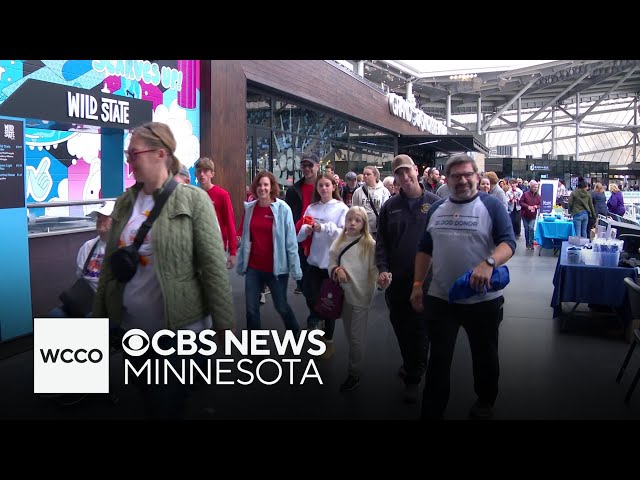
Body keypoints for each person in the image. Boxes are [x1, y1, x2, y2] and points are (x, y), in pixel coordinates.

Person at [93, 121, 235, 419]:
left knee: (164, 405)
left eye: (134, 154)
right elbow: (110, 266)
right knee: (147, 397)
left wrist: (224, 326)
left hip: (177, 331)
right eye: (128, 154)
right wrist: (99, 318)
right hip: (132, 330)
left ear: (160, 154)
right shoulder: (124, 203)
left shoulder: (193, 200)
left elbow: (212, 265)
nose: (129, 161)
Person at [410, 154, 516, 420]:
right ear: (447, 180)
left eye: (468, 174)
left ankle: (485, 399)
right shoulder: (437, 209)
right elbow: (424, 249)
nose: (463, 180)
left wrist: (489, 262)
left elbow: (508, 243)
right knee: (439, 359)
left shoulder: (491, 206)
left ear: (478, 177)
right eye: (456, 176)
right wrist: (417, 284)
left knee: (485, 355)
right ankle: (432, 410)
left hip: (483, 299)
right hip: (441, 298)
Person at [376, 154, 440, 403]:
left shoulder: (435, 203)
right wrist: (382, 268)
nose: (405, 177)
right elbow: (382, 241)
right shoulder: (390, 206)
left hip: (426, 280)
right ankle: (410, 363)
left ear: (416, 170)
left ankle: (414, 377)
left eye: (407, 171)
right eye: (399, 173)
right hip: (397, 280)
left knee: (421, 328)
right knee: (401, 325)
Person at [236, 171, 302, 335]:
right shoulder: (250, 208)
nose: (262, 188)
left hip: (277, 269)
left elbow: (291, 241)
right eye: (259, 185)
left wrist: (296, 269)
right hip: (254, 268)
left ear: (272, 187)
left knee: (281, 306)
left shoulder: (282, 209)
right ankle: (254, 349)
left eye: (266, 184)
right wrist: (241, 262)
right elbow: (246, 239)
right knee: (251, 310)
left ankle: (295, 335)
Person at [297, 172, 349, 359]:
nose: (324, 188)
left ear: (334, 187)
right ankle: (317, 319)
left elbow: (344, 235)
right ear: (317, 189)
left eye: (327, 185)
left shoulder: (341, 208)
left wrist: (324, 228)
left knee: (329, 303)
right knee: (310, 296)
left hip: (331, 264)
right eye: (321, 186)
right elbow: (300, 235)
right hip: (313, 262)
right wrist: (307, 229)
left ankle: (328, 341)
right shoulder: (311, 208)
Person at [328, 206, 378, 393]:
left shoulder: (369, 244)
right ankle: (356, 364)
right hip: (343, 296)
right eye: (350, 219)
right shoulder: (339, 241)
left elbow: (374, 269)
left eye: (357, 220)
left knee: (356, 338)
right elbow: (332, 261)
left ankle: (354, 372)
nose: (352, 223)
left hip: (361, 296)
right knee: (350, 334)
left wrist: (383, 280)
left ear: (364, 223)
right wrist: (336, 270)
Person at [49, 200, 115, 318]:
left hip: (108, 303)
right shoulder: (88, 246)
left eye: (105, 217)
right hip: (86, 298)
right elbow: (80, 275)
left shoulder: (121, 247)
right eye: (99, 216)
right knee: (54, 315)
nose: (100, 220)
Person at [285, 152, 320, 295]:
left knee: (321, 277)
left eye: (310, 165)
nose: (306, 169)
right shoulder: (293, 190)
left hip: (320, 236)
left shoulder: (324, 186)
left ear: (317, 166)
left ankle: (321, 313)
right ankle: (313, 309)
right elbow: (288, 215)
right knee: (303, 278)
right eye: (304, 165)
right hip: (300, 237)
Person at [195, 156, 238, 269]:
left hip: (216, 248)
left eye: (205, 171)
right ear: (196, 174)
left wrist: (233, 252)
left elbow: (230, 222)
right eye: (199, 171)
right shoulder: (194, 195)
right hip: (197, 248)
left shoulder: (222, 195)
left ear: (212, 174)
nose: (202, 174)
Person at [351, 165, 390, 237]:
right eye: (364, 174)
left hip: (378, 229)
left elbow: (386, 210)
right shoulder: (358, 192)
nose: (365, 176)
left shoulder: (383, 191)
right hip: (363, 229)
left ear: (375, 176)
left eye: (368, 174)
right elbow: (354, 209)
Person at [520, 180, 541, 251]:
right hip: (525, 214)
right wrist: (527, 206)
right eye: (534, 187)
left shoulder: (538, 196)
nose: (536, 188)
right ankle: (527, 244)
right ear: (531, 187)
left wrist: (536, 206)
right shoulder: (525, 194)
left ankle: (531, 243)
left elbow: (540, 205)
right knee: (526, 229)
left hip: (533, 215)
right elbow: (521, 202)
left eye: (537, 187)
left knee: (531, 228)